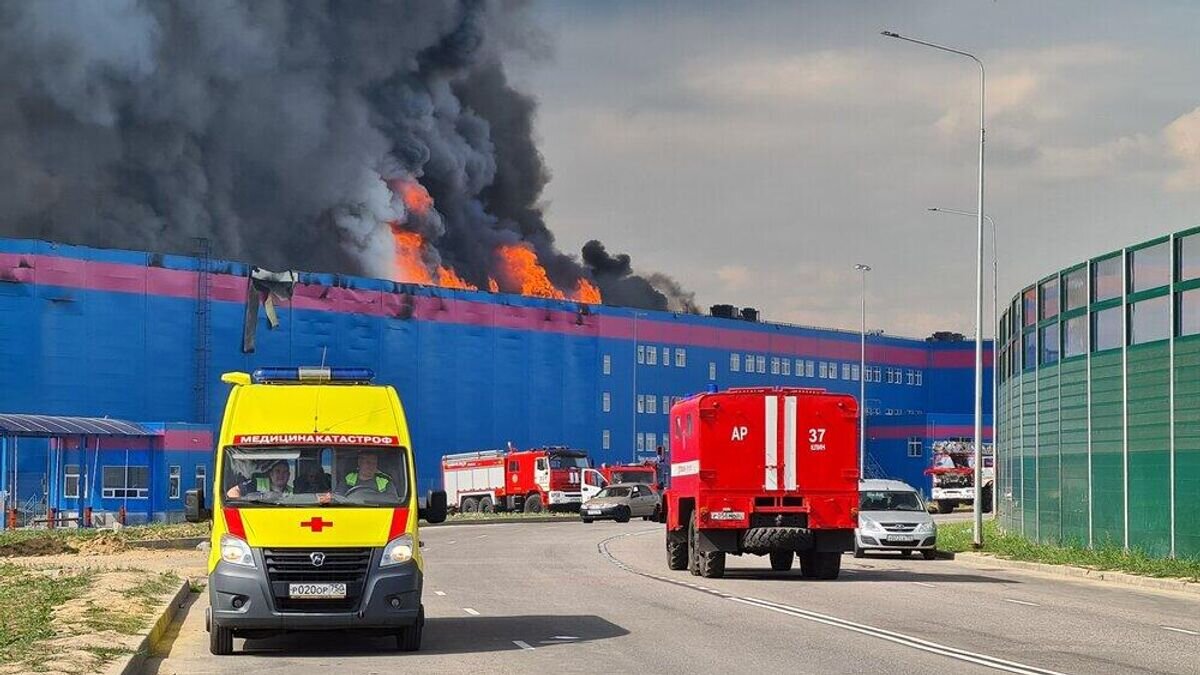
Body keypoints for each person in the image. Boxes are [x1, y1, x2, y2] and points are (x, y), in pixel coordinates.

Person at [226, 460, 292, 499]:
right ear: (271, 474)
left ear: (288, 475)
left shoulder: (293, 491)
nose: (281, 475)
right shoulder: (257, 483)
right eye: (277, 471)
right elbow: (232, 492)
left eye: (285, 472)